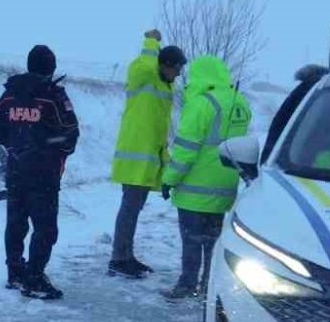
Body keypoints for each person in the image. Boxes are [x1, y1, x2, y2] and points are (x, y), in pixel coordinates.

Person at [159, 55, 252, 300]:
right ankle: (210, 286)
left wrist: (169, 179)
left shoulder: (201, 104)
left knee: (192, 240)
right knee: (213, 241)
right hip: (224, 186)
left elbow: (185, 150)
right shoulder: (240, 102)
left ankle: (187, 284)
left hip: (195, 188)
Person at [0, 44, 80, 300]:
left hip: (16, 170)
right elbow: (71, 134)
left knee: (16, 224)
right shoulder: (53, 96)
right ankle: (34, 278)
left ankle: (15, 271)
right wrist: (49, 147)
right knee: (45, 229)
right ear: (51, 69)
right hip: (44, 174)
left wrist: (18, 146)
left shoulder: (10, 94)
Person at [108, 29, 186, 278]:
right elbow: (144, 64)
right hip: (135, 156)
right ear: (165, 64)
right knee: (129, 209)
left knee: (133, 209)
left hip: (148, 157)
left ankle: (126, 255)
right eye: (177, 69)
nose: (178, 75)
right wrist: (151, 42)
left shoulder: (163, 84)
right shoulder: (144, 75)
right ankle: (118, 259)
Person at [261, 64, 327, 163]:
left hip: (301, 162)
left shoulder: (303, 92)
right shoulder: (308, 92)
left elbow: (278, 127)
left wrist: (266, 160)